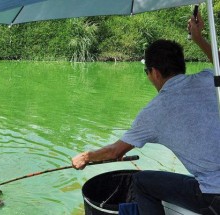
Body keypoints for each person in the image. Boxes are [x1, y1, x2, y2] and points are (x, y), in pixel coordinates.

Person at [72, 39, 220, 215]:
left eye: (146, 72)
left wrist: (86, 157)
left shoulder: (155, 110)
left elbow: (114, 152)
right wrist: (198, 38)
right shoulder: (209, 79)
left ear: (155, 73)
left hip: (214, 197)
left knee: (141, 182)